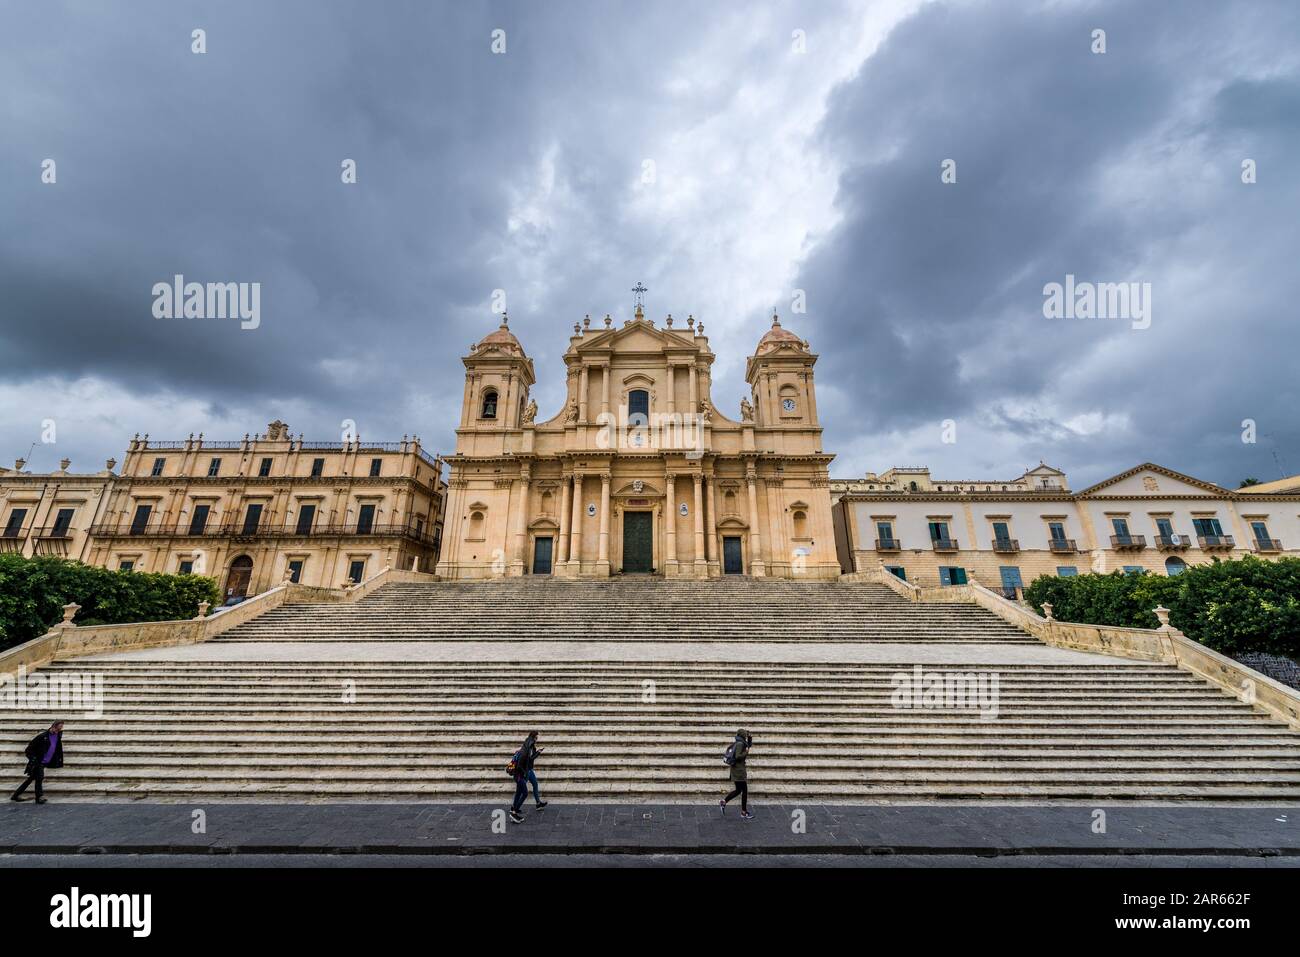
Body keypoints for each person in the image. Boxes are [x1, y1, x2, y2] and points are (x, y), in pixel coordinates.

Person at [11, 721, 64, 804]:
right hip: (38, 761)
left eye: (60, 729)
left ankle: (15, 795)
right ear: (53, 726)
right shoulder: (42, 736)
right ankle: (39, 797)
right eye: (58, 728)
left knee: (30, 779)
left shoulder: (58, 736)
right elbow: (28, 749)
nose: (59, 730)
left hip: (45, 762)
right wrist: (33, 759)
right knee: (39, 778)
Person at [508, 730, 546, 823]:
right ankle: (514, 812)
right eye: (536, 737)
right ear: (533, 738)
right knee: (523, 792)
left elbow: (528, 759)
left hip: (523, 773)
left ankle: (515, 809)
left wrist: (537, 751)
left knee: (524, 790)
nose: (537, 739)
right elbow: (522, 764)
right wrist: (525, 773)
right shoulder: (526, 751)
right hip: (522, 774)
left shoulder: (526, 746)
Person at [720, 728, 753, 820]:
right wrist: (745, 753)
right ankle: (743, 812)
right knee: (744, 791)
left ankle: (724, 801)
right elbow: (738, 756)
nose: (746, 735)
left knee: (739, 790)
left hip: (737, 770)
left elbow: (748, 745)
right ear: (742, 735)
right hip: (739, 771)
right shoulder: (740, 744)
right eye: (746, 734)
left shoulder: (741, 742)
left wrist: (750, 738)